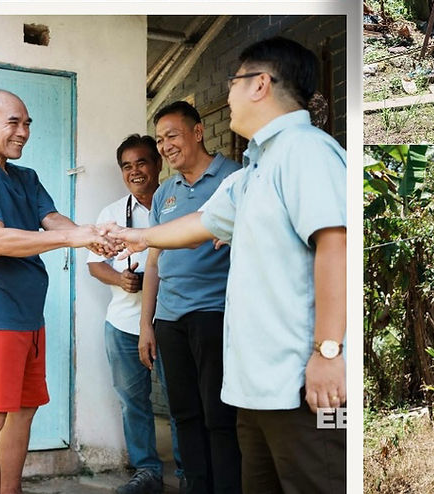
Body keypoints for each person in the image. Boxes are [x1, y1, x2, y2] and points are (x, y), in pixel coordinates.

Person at [109, 36, 346, 493]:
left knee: (324, 478)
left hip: (309, 386)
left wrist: (329, 352)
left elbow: (336, 244)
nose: (228, 93)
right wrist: (134, 235)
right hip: (257, 391)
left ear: (261, 85)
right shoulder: (256, 168)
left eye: (233, 82)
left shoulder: (307, 150)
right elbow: (200, 222)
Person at [0, 90, 112, 494]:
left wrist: (91, 236)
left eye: (27, 124)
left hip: (28, 315)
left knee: (23, 412)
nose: (23, 132)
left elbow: (53, 219)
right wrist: (72, 240)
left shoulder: (25, 176)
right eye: (13, 123)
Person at [141, 101, 241, 494]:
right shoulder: (165, 192)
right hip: (169, 319)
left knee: (219, 414)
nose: (165, 146)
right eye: (160, 139)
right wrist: (145, 324)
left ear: (198, 132)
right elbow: (153, 263)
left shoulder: (233, 178)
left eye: (172, 135)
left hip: (214, 313)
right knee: (184, 415)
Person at [87, 135, 183, 494]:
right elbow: (96, 265)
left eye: (142, 162)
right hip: (124, 324)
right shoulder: (111, 213)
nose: (135, 171)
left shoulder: (177, 203)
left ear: (158, 164)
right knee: (133, 403)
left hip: (171, 321)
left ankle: (189, 470)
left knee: (180, 401)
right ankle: (147, 472)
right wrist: (122, 279)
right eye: (127, 166)